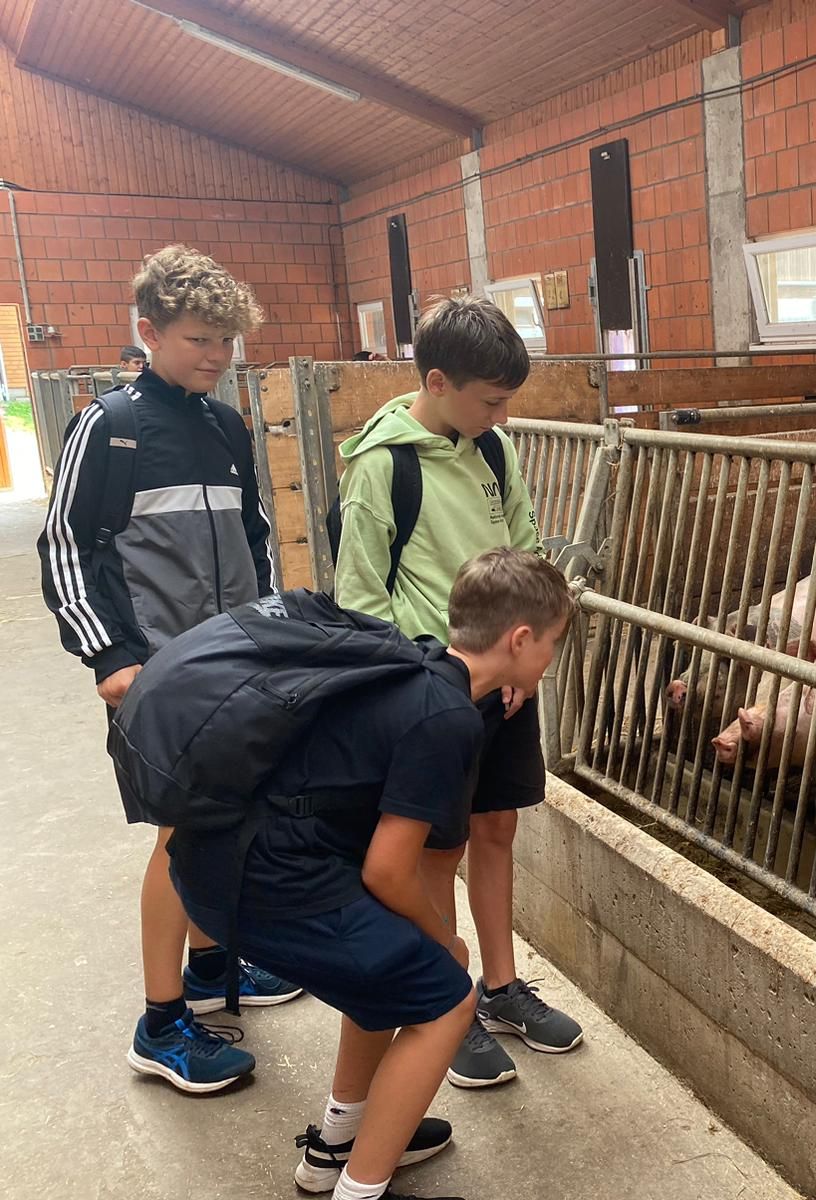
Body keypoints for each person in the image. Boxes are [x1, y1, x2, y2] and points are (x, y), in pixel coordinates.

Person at [166, 549, 573, 1200]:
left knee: (393, 967)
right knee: (447, 997)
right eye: (552, 643)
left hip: (216, 859)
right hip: (267, 881)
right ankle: (362, 1188)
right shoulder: (448, 718)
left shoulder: (415, 663)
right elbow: (388, 870)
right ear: (520, 640)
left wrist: (431, 938)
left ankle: (337, 1145)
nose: (551, 659)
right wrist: (444, 941)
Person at [38, 244, 301, 1095]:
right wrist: (112, 658)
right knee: (184, 833)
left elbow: (257, 541)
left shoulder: (226, 426)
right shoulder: (109, 426)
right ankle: (160, 1026)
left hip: (235, 664)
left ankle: (212, 967)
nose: (217, 358)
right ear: (147, 332)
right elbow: (65, 547)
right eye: (198, 340)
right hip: (155, 675)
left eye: (227, 342)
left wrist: (268, 633)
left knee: (227, 820)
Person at [335, 296, 583, 1089]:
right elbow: (360, 597)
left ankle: (502, 986)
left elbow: (527, 546)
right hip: (436, 686)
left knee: (497, 826)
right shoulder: (384, 467)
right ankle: (450, 1000)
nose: (500, 415)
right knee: (436, 847)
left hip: (507, 675)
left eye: (507, 402)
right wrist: (429, 675)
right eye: (490, 401)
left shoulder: (494, 451)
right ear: (437, 381)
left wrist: (524, 655)